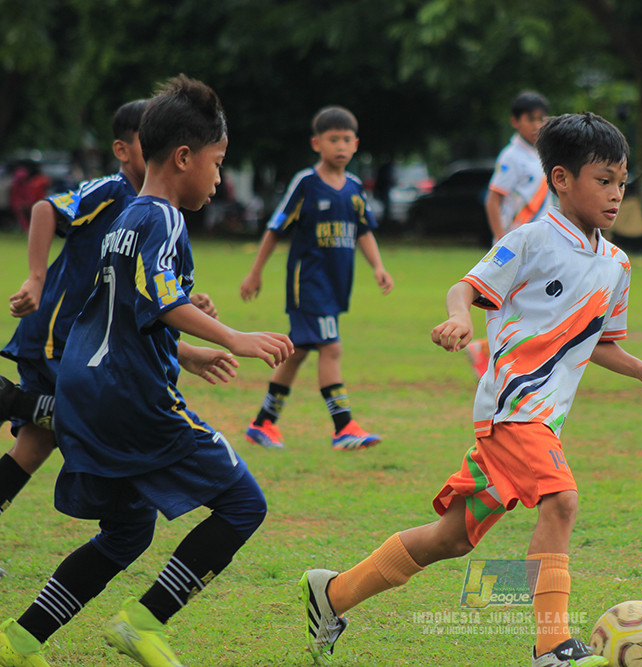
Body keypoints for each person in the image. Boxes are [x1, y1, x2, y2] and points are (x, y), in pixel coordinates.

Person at [298, 112, 642, 667]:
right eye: (603, 180)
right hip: (514, 410)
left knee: (451, 538)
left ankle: (332, 593)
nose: (615, 194)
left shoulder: (616, 264)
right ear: (561, 179)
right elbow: (465, 287)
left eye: (622, 182)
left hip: (540, 421)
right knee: (562, 501)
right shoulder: (530, 240)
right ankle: (553, 647)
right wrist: (460, 318)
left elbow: (599, 342)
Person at [0, 74, 294, 667]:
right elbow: (163, 302)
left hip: (90, 392)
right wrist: (234, 335)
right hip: (134, 401)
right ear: (184, 157)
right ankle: (144, 622)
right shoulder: (163, 218)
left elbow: (118, 315)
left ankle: (19, 639)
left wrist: (186, 351)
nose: (219, 177)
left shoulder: (127, 218)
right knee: (245, 505)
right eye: (218, 162)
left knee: (127, 531)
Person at [0, 100, 220, 523]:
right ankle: (13, 400)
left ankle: (20, 402)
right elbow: (46, 208)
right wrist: (35, 278)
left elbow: (138, 294)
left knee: (34, 446)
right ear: (123, 150)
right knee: (92, 416)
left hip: (91, 337)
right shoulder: (111, 192)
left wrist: (186, 329)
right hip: (59, 334)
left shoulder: (154, 212)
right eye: (147, 140)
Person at [240, 105, 393, 451]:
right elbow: (275, 228)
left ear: (356, 144)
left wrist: (378, 267)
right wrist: (255, 272)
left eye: (346, 139)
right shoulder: (306, 183)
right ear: (316, 143)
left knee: (296, 353)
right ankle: (343, 426)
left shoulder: (354, 187)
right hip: (308, 284)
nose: (340, 146)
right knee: (331, 348)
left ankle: (263, 423)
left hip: (336, 285)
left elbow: (363, 230)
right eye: (333, 139)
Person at [466, 90, 552, 378]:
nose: (538, 125)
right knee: (519, 305)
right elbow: (493, 199)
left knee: (533, 305)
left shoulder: (545, 153)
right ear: (515, 121)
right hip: (516, 242)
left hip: (541, 243)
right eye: (531, 119)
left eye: (543, 119)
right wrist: (501, 237)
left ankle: (491, 353)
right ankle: (491, 354)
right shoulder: (512, 156)